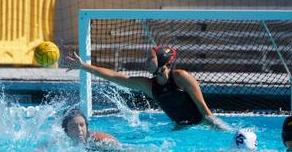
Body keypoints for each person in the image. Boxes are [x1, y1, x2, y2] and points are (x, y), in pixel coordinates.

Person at [67, 45, 231, 130]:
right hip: (181, 129)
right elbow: (115, 76)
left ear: (162, 61)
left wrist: (224, 130)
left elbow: (205, 110)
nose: (146, 61)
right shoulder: (149, 85)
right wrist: (83, 66)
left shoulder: (180, 77)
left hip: (203, 126)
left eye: (150, 58)